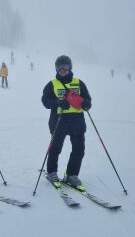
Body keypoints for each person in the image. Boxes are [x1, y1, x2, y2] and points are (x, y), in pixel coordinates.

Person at [41, 55, 92, 191]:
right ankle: (52, 173)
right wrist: (57, 102)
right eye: (60, 68)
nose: (62, 70)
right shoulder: (52, 84)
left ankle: (71, 175)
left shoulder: (79, 83)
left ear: (70, 68)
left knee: (79, 149)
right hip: (59, 121)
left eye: (65, 67)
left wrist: (85, 104)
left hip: (77, 122)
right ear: (56, 69)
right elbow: (45, 101)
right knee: (55, 148)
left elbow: (88, 100)